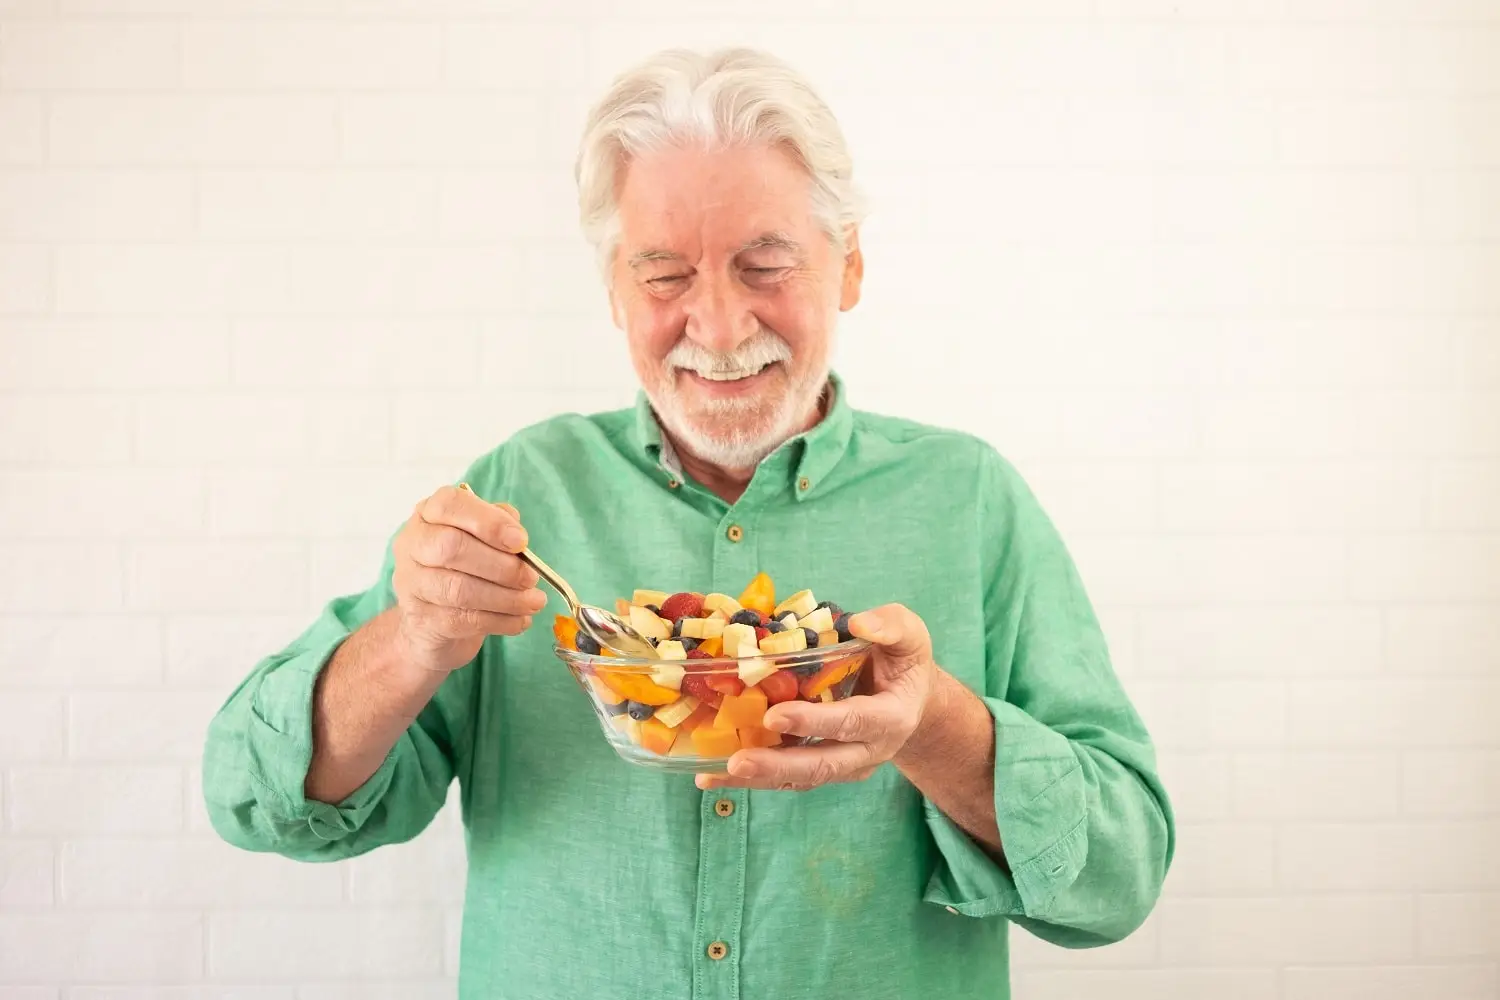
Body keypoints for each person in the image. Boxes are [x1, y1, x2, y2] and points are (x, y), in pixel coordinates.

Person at [203, 46, 1173, 1000]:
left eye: (764, 265)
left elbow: (1118, 880)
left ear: (850, 268)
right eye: (665, 275)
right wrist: (412, 640)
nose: (716, 326)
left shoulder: (970, 500)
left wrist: (936, 727)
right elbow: (262, 802)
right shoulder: (519, 495)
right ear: (615, 291)